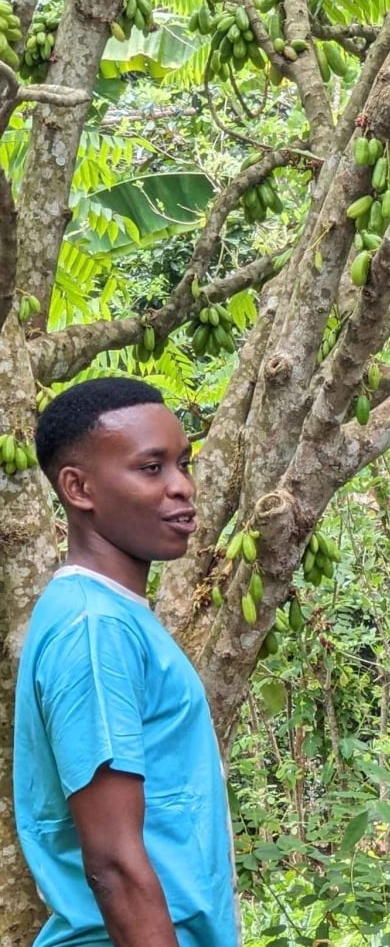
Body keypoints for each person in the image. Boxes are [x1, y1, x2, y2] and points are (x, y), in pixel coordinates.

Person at [14, 377, 239, 947]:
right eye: (151, 468)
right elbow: (113, 863)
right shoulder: (95, 629)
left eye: (183, 464)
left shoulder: (111, 615)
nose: (182, 487)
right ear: (79, 487)